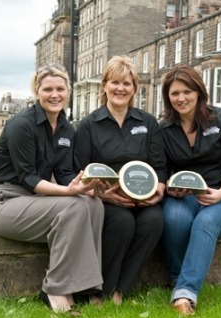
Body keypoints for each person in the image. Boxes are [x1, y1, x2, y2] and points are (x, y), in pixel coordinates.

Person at [0, 63, 104, 314]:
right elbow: (28, 178)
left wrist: (85, 187)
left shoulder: (65, 128)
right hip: (5, 201)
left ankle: (85, 288)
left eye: (60, 88)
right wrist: (71, 193)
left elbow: (63, 173)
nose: (54, 94)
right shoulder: (21, 125)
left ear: (68, 91)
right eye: (47, 89)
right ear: (37, 92)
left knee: (93, 204)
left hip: (35, 201)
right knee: (73, 207)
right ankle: (55, 288)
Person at [74, 55, 168, 305]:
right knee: (123, 223)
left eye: (127, 83)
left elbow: (159, 165)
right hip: (106, 198)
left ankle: (121, 289)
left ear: (134, 89)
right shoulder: (89, 125)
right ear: (104, 86)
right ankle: (100, 290)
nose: (120, 88)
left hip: (144, 198)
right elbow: (79, 169)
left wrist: (159, 189)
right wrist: (102, 194)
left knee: (155, 221)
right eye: (115, 82)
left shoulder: (147, 123)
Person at [160, 64, 221, 316]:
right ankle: (177, 279)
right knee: (174, 217)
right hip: (184, 197)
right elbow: (162, 169)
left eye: (187, 91)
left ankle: (185, 294)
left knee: (205, 221)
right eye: (174, 93)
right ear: (168, 97)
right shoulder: (164, 129)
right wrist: (170, 188)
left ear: (199, 91)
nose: (181, 98)